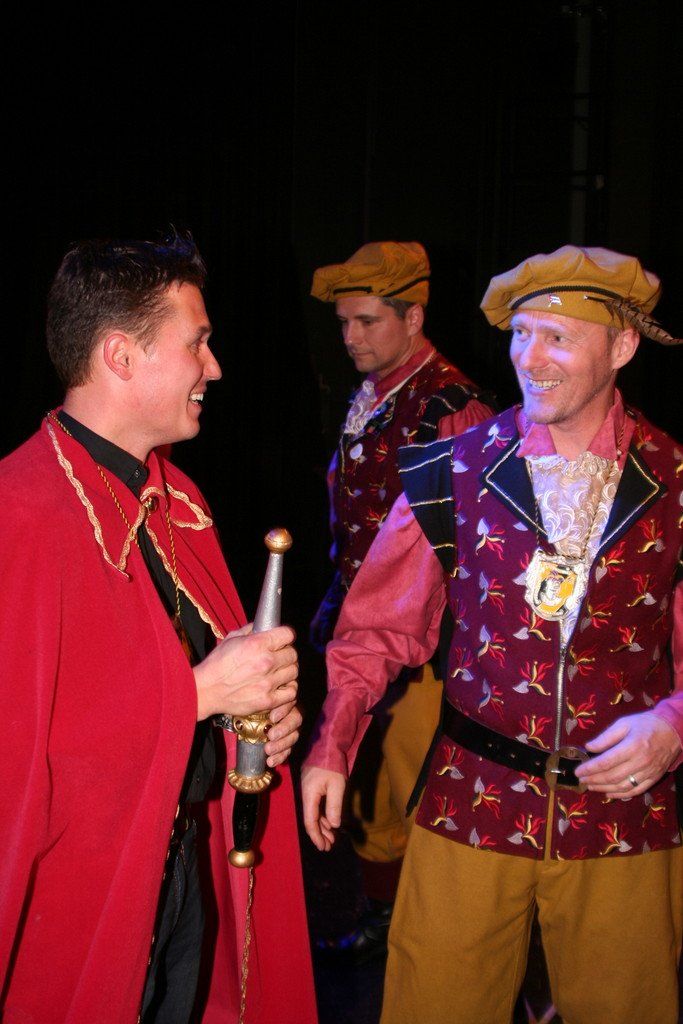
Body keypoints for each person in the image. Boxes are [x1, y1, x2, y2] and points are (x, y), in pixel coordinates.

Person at [302, 245, 683, 1024]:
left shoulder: (674, 479)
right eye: (519, 334)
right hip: (470, 802)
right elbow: (375, 628)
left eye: (556, 337)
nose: (528, 359)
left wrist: (675, 722)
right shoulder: (451, 469)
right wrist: (332, 742)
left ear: (621, 346)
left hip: (622, 813)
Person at [0, 234, 317, 1024]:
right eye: (196, 343)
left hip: (179, 864)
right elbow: (22, 757)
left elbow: (187, 684)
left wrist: (252, 720)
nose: (214, 368)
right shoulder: (21, 511)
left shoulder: (177, 501)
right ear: (120, 355)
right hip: (81, 892)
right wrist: (201, 693)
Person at [307, 241, 493, 960]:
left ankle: (438, 944)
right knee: (376, 791)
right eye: (343, 323)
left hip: (425, 645)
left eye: (366, 321)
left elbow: (472, 551)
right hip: (365, 630)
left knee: (421, 792)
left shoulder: (453, 407)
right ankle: (386, 922)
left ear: (412, 317)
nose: (350, 337)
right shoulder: (372, 395)